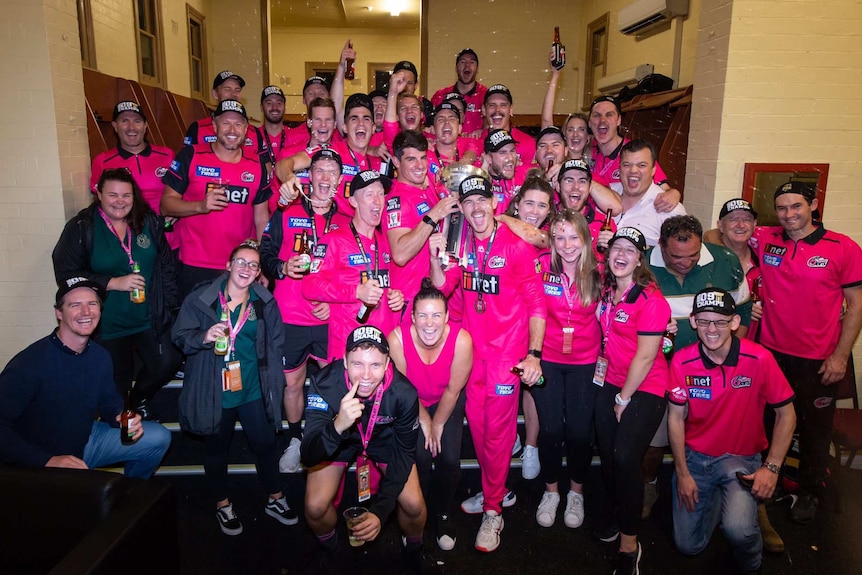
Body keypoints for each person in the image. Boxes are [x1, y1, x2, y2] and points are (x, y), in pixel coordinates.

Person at [431, 175, 546, 553]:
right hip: (472, 357)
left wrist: (534, 353)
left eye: (482, 200)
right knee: (479, 433)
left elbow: (536, 304)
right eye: (469, 202)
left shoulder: (515, 246)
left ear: (494, 202)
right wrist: (435, 262)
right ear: (461, 208)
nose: (476, 208)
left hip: (506, 360)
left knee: (496, 436)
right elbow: (445, 289)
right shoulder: (460, 246)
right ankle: (492, 489)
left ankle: (493, 510)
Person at [751, 181, 862, 523]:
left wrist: (841, 356)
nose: (789, 214)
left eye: (796, 206)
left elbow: (856, 306)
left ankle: (811, 491)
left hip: (818, 360)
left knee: (815, 430)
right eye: (782, 208)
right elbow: (720, 231)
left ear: (813, 205)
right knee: (770, 424)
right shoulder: (767, 238)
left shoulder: (842, 247)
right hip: (772, 354)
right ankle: (771, 484)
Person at [668, 288, 796, 574]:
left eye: (720, 322)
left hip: (741, 460)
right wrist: (683, 473)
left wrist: (771, 468)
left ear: (735, 322)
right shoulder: (682, 361)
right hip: (696, 459)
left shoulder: (759, 359)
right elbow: (675, 419)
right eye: (703, 321)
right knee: (688, 546)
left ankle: (752, 558)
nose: (711, 329)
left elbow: (786, 414)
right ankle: (720, 498)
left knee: (739, 531)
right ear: (693, 321)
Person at [172, 240, 295, 536]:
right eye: (241, 262)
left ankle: (275, 498)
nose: (246, 268)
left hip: (252, 386)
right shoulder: (201, 299)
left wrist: (275, 380)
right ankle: (222, 503)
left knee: (265, 444)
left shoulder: (264, 302)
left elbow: (276, 340)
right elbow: (179, 336)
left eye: (253, 265)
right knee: (217, 448)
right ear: (228, 265)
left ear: (257, 274)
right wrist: (203, 336)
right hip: (215, 389)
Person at [639, 214, 752, 520]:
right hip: (660, 371)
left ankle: (732, 493)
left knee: (715, 435)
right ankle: (649, 484)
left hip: (712, 369)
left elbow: (742, 310)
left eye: (693, 255)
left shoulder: (726, 261)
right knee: (654, 440)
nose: (685, 263)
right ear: (660, 246)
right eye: (676, 256)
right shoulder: (643, 264)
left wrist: (729, 357)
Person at [0, 277, 170, 478]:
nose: (86, 312)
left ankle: (130, 493)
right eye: (75, 305)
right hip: (42, 456)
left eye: (92, 303)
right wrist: (47, 461)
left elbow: (109, 401)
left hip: (86, 440)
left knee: (158, 436)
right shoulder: (29, 364)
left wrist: (122, 416)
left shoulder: (100, 355)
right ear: (59, 313)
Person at [53, 169, 181, 420]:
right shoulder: (82, 227)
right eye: (112, 194)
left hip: (148, 316)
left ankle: (139, 398)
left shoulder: (149, 222)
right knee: (117, 376)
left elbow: (166, 266)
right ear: (98, 194)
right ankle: (121, 415)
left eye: (126, 195)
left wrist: (172, 307)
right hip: (107, 322)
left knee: (168, 362)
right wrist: (111, 282)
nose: (119, 201)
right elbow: (66, 274)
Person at [302, 325, 426, 564]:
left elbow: (404, 454)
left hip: (383, 441)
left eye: (376, 365)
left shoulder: (404, 393)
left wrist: (380, 512)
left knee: (414, 505)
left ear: (388, 363)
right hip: (340, 440)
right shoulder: (324, 382)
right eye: (358, 364)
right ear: (345, 363)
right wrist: (338, 426)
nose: (366, 376)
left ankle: (413, 552)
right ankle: (331, 548)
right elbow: (307, 455)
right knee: (314, 507)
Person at [260, 148, 350, 473]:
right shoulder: (286, 211)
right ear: (308, 176)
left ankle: (326, 437)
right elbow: (265, 251)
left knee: (330, 382)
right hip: (291, 315)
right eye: (319, 171)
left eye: (331, 172)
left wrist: (335, 300)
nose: (325, 178)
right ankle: (296, 440)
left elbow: (353, 271)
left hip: (331, 319)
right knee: (294, 383)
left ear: (340, 180)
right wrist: (282, 267)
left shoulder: (348, 220)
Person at [595, 227, 671, 575]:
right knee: (609, 456)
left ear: (640, 258)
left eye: (630, 249)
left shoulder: (652, 300)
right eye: (616, 249)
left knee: (626, 457)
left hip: (643, 388)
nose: (621, 254)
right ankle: (616, 512)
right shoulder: (608, 290)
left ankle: (630, 546)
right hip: (608, 380)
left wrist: (624, 398)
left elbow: (645, 357)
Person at [388, 279, 473, 550]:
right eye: (422, 315)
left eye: (437, 315)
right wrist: (424, 420)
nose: (429, 323)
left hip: (447, 399)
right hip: (411, 402)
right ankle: (418, 514)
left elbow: (453, 389)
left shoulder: (461, 340)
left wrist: (437, 424)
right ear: (412, 317)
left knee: (449, 458)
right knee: (421, 456)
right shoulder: (397, 338)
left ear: (447, 316)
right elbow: (404, 391)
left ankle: (443, 513)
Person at [532, 210, 602, 529]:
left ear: (585, 238)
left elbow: (628, 295)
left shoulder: (600, 270)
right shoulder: (541, 266)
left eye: (574, 236)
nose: (567, 244)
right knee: (549, 431)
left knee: (578, 432)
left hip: (586, 361)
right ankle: (551, 491)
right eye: (559, 237)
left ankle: (576, 491)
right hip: (548, 357)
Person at [161, 99, 271, 296]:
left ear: (246, 129)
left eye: (238, 124)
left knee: (236, 325)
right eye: (226, 122)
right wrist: (200, 206)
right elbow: (166, 205)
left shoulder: (256, 165)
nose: (232, 129)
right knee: (196, 325)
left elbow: (261, 217)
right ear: (214, 125)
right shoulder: (191, 155)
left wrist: (263, 262)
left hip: (240, 265)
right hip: (195, 263)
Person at [301, 170, 405, 361]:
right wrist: (355, 292)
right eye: (369, 194)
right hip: (348, 348)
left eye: (381, 194)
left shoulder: (385, 241)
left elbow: (388, 285)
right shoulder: (333, 240)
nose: (377, 201)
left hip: (382, 347)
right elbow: (309, 286)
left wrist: (395, 296)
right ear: (354, 202)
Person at [384, 130, 461, 304]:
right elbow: (400, 255)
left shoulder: (425, 191)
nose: (420, 165)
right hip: (407, 301)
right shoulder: (397, 201)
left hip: (431, 296)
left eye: (423, 158)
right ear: (396, 162)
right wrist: (433, 215)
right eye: (411, 159)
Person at [588, 95, 680, 210]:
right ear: (590, 122)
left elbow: (667, 190)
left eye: (609, 115)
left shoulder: (635, 153)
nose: (602, 120)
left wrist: (674, 193)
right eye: (596, 115)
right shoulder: (587, 150)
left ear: (619, 120)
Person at [90, 101, 174, 227]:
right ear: (115, 126)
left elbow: (185, 190)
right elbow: (101, 201)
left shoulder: (167, 155)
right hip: (126, 234)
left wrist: (177, 212)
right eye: (124, 121)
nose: (131, 127)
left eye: (137, 121)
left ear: (145, 126)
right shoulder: (102, 161)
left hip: (167, 233)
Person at [703, 198, 764, 341]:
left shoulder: (763, 258)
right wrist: (744, 308)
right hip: (714, 343)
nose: (741, 225)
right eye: (733, 219)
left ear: (754, 225)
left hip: (754, 345)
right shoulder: (705, 261)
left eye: (747, 219)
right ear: (721, 226)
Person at [616, 139, 686, 247]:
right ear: (619, 168)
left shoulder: (670, 209)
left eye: (642, 165)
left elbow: (681, 255)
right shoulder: (604, 193)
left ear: (654, 170)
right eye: (626, 165)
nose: (633, 170)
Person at [183, 70, 265, 158]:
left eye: (237, 90)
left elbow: (265, 167)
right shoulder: (197, 128)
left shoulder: (254, 132)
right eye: (227, 89)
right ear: (215, 94)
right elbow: (185, 160)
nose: (233, 94)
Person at [556, 159, 620, 261]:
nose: (576, 187)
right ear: (558, 186)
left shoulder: (604, 226)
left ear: (590, 188)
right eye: (569, 180)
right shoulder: (546, 221)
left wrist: (612, 250)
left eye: (582, 181)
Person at [430, 48, 487, 135]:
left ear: (477, 68)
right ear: (456, 68)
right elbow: (430, 126)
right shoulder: (440, 96)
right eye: (462, 62)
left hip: (476, 146)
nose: (467, 65)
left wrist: (483, 132)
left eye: (472, 62)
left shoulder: (486, 95)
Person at [480, 85, 536, 166]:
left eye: (503, 105)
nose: (497, 110)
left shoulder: (528, 143)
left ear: (511, 109)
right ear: (484, 110)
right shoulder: (476, 142)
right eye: (492, 105)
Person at [482, 129, 528, 215]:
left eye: (512, 151)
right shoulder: (479, 179)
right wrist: (482, 176)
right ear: (488, 158)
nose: (510, 158)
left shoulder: (525, 175)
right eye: (502, 153)